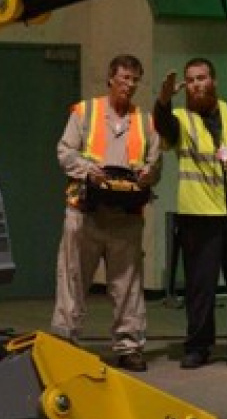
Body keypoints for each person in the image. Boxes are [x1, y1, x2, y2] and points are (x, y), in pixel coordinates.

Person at [154, 58, 227, 370]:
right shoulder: (181, 119)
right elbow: (164, 127)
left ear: (214, 81)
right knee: (200, 287)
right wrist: (163, 101)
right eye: (191, 80)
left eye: (202, 78)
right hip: (199, 215)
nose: (196, 84)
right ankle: (198, 347)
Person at [51, 55, 161, 372]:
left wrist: (148, 174)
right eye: (125, 78)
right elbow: (65, 152)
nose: (130, 85)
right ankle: (65, 342)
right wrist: (88, 170)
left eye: (135, 80)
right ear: (111, 78)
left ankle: (130, 346)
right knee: (73, 279)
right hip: (85, 213)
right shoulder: (86, 112)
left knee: (128, 285)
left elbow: (155, 164)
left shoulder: (146, 121)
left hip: (126, 217)